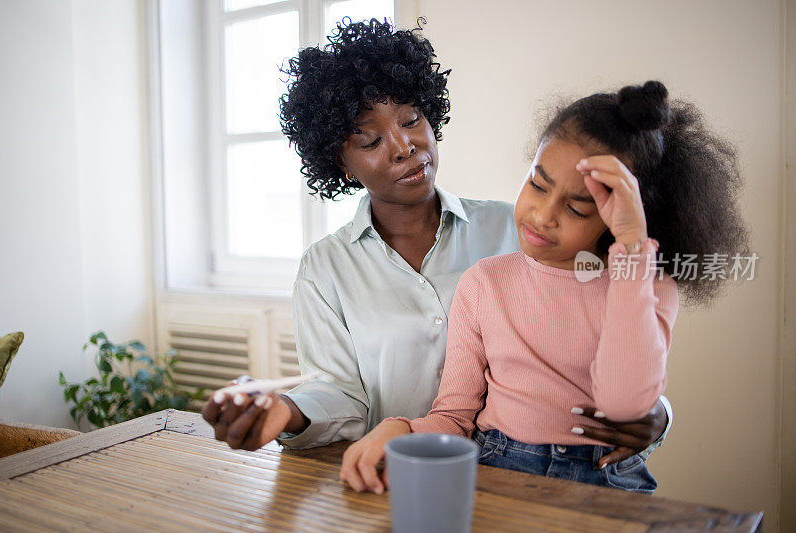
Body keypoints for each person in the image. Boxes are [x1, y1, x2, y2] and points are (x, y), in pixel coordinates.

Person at [201, 19, 671, 466]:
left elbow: (616, 322)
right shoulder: (325, 269)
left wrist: (654, 413)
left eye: (411, 119)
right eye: (369, 141)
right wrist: (285, 411)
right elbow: (336, 392)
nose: (404, 146)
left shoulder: (525, 231)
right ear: (340, 162)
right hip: (396, 476)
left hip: (518, 475)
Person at [339, 80, 749, 494]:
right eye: (537, 184)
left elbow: (624, 405)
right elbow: (454, 417)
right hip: (497, 468)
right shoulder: (484, 283)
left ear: (618, 217)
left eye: (575, 208)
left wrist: (632, 248)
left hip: (606, 481)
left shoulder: (647, 285)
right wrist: (398, 430)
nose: (543, 215)